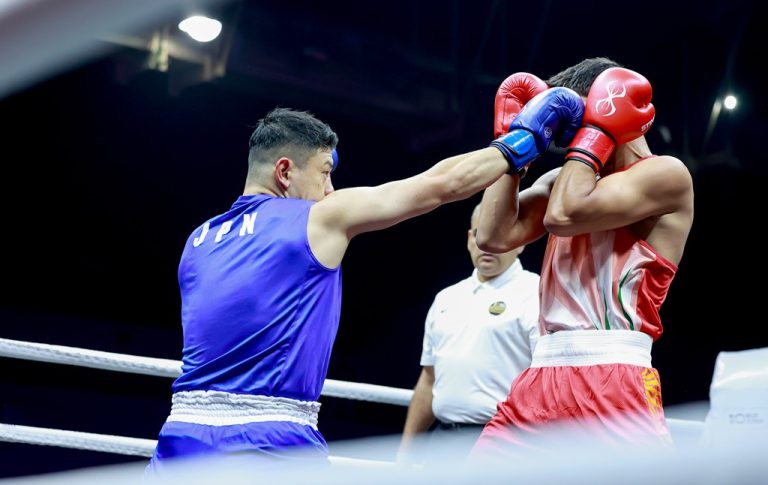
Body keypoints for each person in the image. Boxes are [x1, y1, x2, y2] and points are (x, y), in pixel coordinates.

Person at [144, 96, 578, 473]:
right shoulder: (318, 218)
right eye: (325, 172)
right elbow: (440, 185)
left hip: (182, 435)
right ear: (285, 171)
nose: (330, 190)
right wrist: (524, 141)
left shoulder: (198, 241)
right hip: (268, 441)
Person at [471, 57, 695, 457]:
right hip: (540, 375)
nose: (567, 138)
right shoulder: (564, 181)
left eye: (575, 121)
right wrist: (512, 147)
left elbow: (563, 216)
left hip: (614, 377)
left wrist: (597, 133)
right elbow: (491, 235)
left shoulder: (666, 174)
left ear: (607, 109)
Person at [398, 202, 540, 463]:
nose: (487, 244)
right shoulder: (447, 298)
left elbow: (548, 380)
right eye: (480, 234)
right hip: (443, 441)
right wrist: (405, 454)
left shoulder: (537, 294)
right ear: (469, 239)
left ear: (520, 241)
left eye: (497, 234)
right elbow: (429, 380)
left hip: (506, 443)